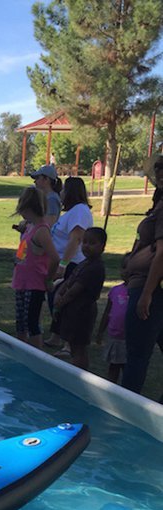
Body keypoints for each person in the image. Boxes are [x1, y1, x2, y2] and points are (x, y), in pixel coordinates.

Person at [120, 152, 163, 395]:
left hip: (151, 290)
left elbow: (162, 253)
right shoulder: (158, 204)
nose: (160, 174)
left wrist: (147, 293)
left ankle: (125, 410)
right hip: (144, 285)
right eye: (158, 169)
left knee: (136, 356)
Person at [44, 176, 94, 349]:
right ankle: (56, 335)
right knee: (54, 298)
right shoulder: (71, 212)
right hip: (60, 261)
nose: (62, 193)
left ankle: (68, 342)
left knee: (64, 300)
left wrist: (63, 265)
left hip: (71, 263)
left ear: (71, 191)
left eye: (65, 189)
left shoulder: (80, 211)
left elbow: (76, 238)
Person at [50, 227, 107, 370]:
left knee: (79, 347)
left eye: (92, 243)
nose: (87, 246)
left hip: (83, 312)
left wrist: (60, 303)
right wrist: (58, 294)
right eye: (85, 242)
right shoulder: (83, 263)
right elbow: (68, 282)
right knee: (73, 344)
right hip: (72, 310)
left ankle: (80, 372)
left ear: (102, 247)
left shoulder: (95, 267)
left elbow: (75, 290)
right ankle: (76, 369)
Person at [10, 187, 60, 349]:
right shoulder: (30, 226)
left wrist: (48, 279)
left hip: (34, 283)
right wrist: (18, 259)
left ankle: (37, 356)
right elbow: (25, 248)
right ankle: (21, 352)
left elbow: (55, 257)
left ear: (29, 208)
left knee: (32, 322)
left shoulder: (41, 231)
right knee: (21, 322)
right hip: (22, 281)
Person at [96, 270, 129, 383]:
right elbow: (107, 312)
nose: (126, 272)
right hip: (114, 336)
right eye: (124, 268)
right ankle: (111, 386)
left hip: (129, 338)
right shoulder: (115, 290)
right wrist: (100, 331)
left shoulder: (138, 293)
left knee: (128, 367)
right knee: (113, 364)